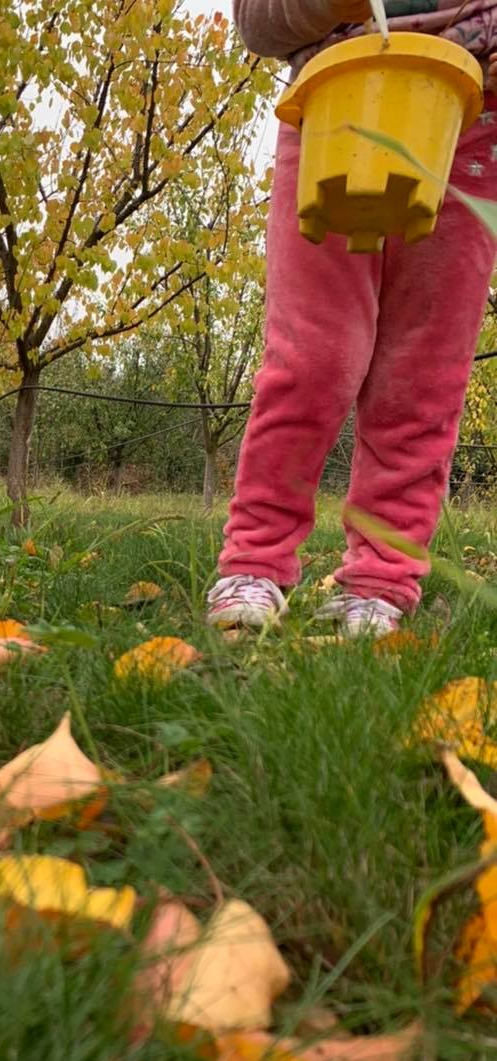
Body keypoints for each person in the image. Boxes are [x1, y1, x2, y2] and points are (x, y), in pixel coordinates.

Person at [208, 0, 497, 635]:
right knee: (311, 360)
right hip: (334, 113)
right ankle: (254, 562)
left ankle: (382, 581)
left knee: (423, 379)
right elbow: (257, 24)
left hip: (468, 128)